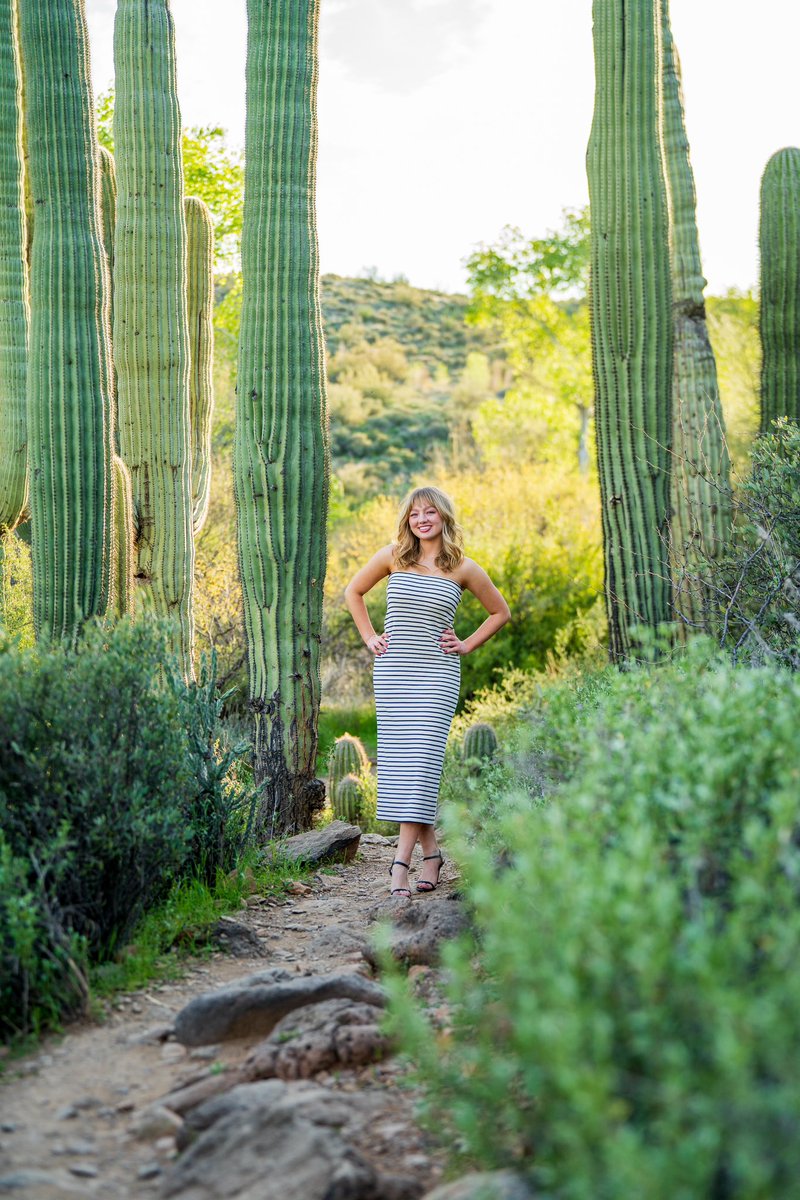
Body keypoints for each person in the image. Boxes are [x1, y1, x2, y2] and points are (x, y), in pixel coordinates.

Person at [344, 485, 510, 897]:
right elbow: (354, 592)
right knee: (404, 768)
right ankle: (432, 854)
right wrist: (369, 637)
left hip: (437, 675)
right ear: (407, 520)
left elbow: (500, 612)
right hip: (394, 672)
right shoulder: (392, 556)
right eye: (415, 513)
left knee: (422, 765)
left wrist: (467, 644)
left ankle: (399, 864)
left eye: (430, 512)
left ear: (443, 518)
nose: (422, 519)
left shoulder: (464, 567)